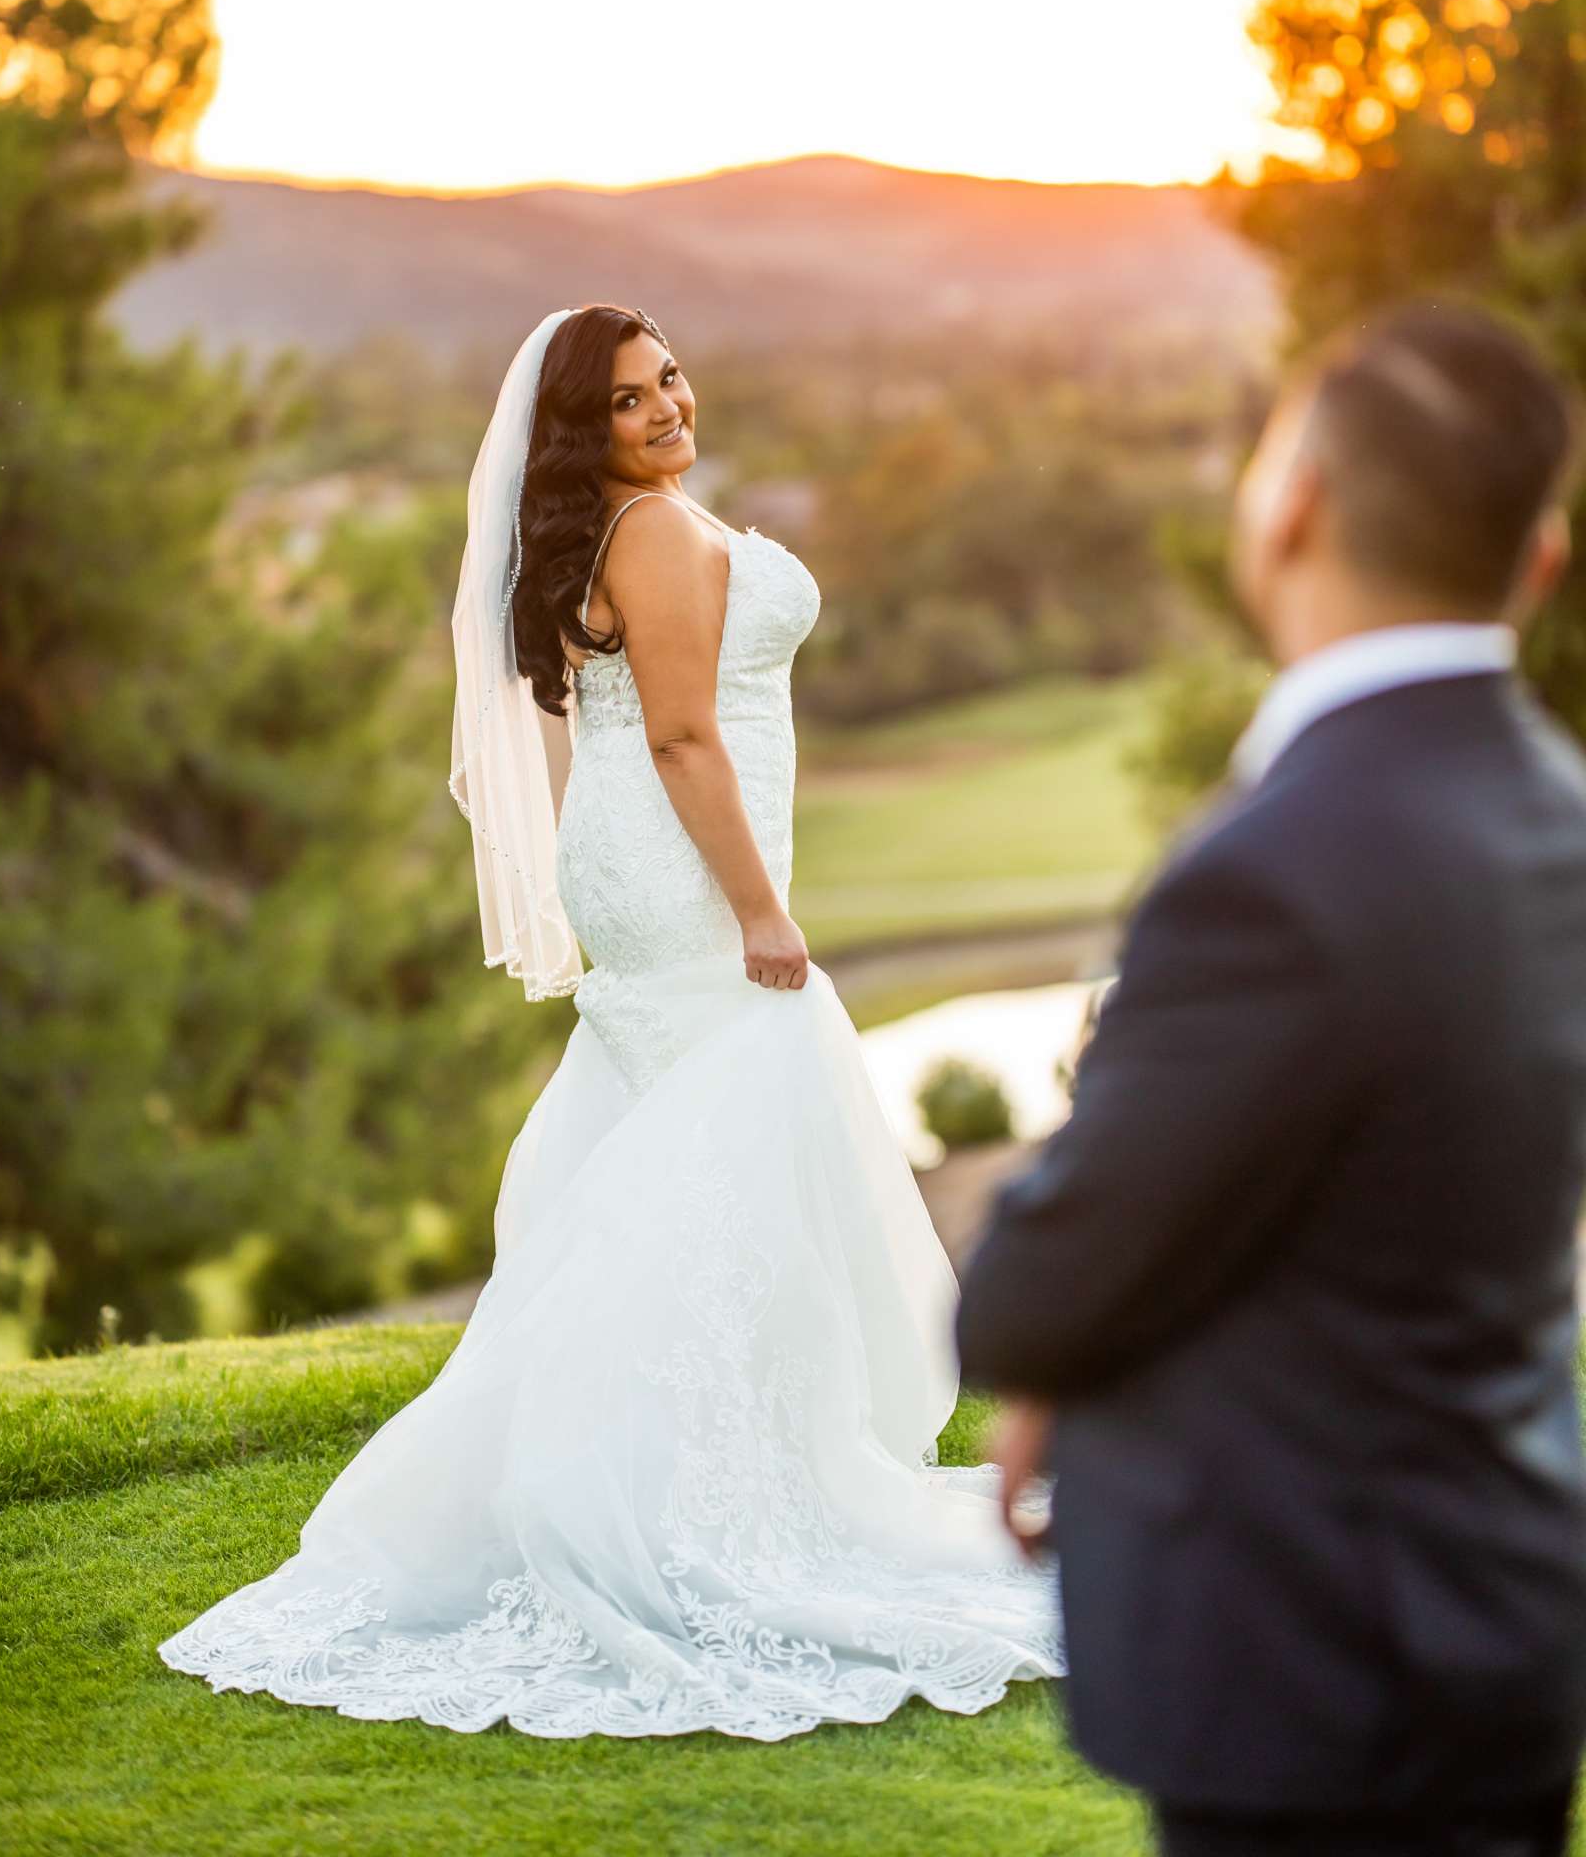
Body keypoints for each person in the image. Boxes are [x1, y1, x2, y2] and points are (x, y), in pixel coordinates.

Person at [157, 301, 1063, 1739]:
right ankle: (649, 1485)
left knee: (682, 1140)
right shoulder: (653, 534)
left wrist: (652, 854)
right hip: (690, 871)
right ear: (588, 433)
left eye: (673, 380)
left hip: (637, 855)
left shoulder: (603, 536)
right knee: (727, 1143)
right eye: (632, 401)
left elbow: (626, 728)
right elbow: (692, 732)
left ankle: (703, 1449)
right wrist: (762, 907)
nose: (668, 409)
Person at [957, 298, 1586, 1855]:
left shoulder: (1273, 874)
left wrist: (1107, 1094)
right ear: (1541, 560)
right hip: (1496, 1624)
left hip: (1317, 1688)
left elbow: (1024, 1297)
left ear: (1293, 504)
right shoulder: (1557, 815)